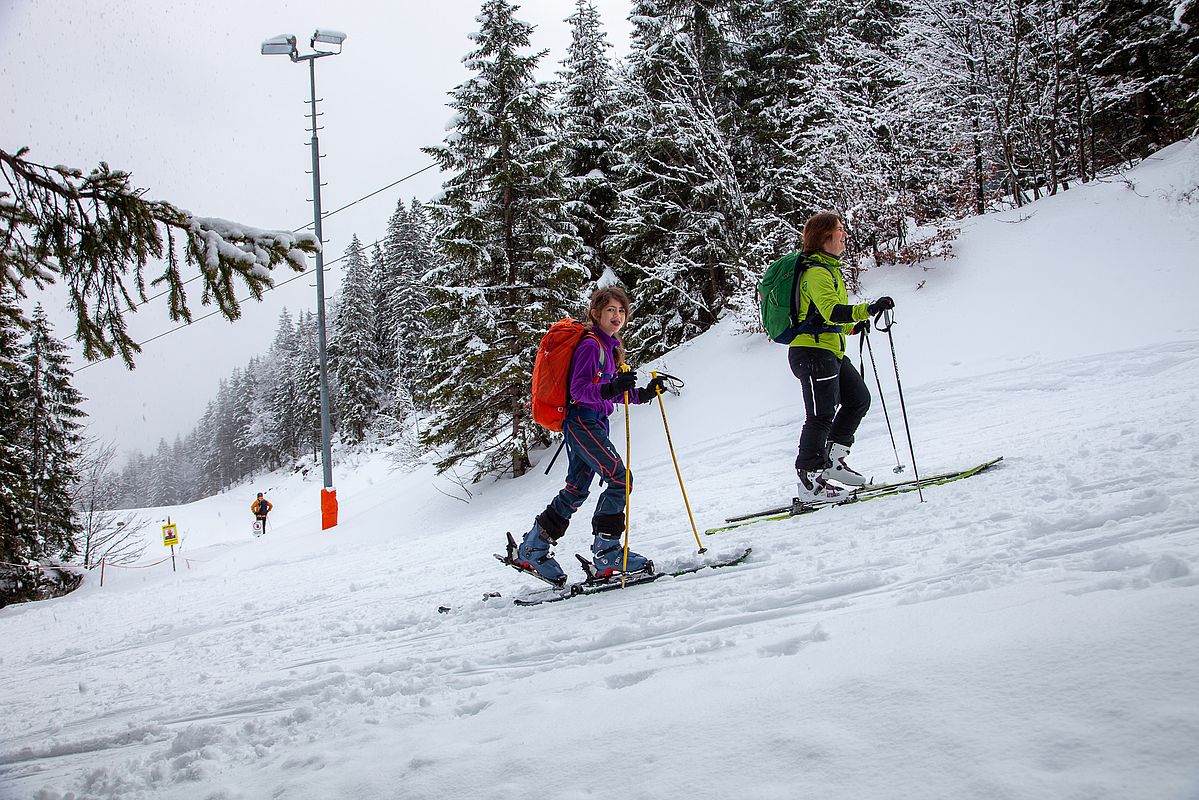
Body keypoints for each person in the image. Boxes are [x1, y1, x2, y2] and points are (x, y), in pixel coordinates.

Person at [514, 286, 673, 587]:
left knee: (576, 489)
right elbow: (580, 391)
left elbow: (610, 393)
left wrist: (644, 394)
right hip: (583, 422)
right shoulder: (590, 345)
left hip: (592, 423)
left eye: (621, 310)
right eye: (610, 310)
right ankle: (607, 554)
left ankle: (533, 547)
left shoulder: (610, 347)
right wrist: (612, 388)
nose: (617, 316)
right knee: (620, 479)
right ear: (596, 313)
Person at [788, 212, 894, 502]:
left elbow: (822, 316)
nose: (844, 234)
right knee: (821, 415)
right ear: (825, 237)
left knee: (858, 398)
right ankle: (809, 482)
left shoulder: (828, 269)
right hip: (811, 353)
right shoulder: (816, 272)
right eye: (839, 230)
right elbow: (831, 310)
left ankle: (832, 461)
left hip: (828, 350)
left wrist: (851, 327)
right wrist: (866, 310)